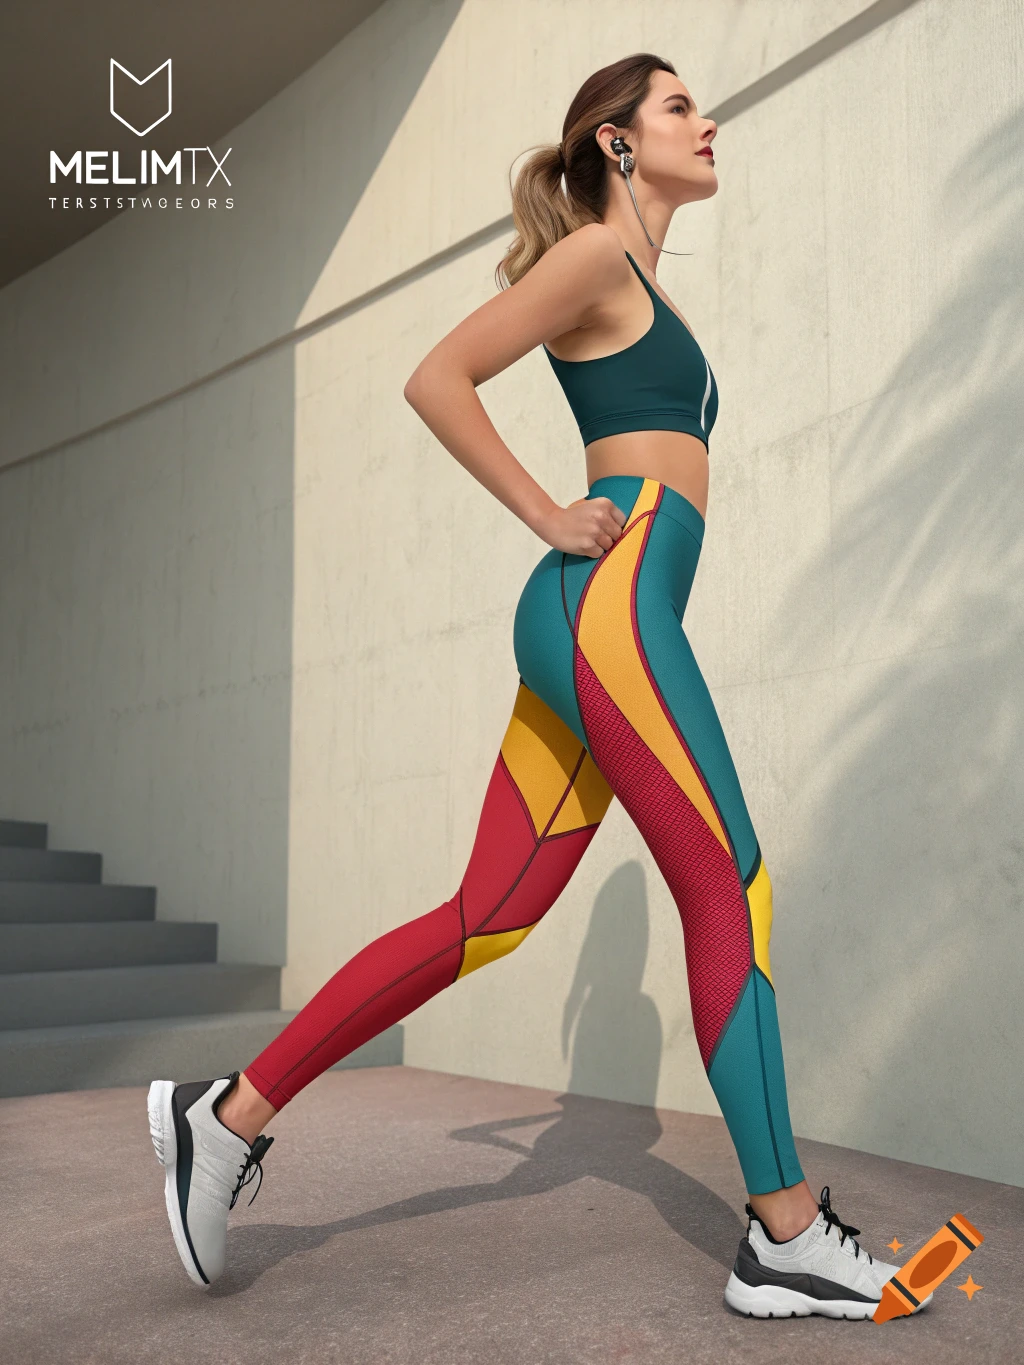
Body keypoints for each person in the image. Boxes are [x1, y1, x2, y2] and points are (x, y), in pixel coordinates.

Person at [147, 52, 931, 1321]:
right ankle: (784, 1232)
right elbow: (435, 377)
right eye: (679, 106)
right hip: (604, 609)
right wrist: (545, 514)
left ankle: (223, 1117)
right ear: (617, 145)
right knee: (731, 884)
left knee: (488, 914)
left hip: (599, 623)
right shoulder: (593, 262)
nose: (707, 119)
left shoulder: (637, 278)